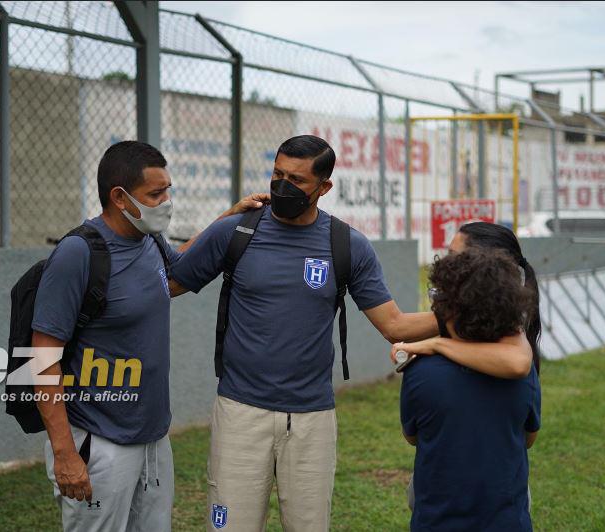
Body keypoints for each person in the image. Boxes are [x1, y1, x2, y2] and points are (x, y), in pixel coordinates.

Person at [167, 135, 533, 532]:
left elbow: (394, 326)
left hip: (312, 417)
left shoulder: (347, 245)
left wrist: (479, 313)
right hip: (240, 410)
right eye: (277, 174)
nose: (282, 186)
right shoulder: (235, 232)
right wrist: (225, 216)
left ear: (324, 187)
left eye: (297, 179)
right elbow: (170, 280)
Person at [31, 140, 267, 532]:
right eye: (155, 194)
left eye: (167, 190)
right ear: (120, 197)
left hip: (153, 438)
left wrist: (228, 220)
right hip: (100, 439)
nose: (166, 201)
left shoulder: (148, 239)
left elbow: (174, 275)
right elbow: (42, 360)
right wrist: (65, 454)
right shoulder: (78, 254)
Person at [398, 248, 541, 531]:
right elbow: (529, 438)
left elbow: (412, 437)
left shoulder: (421, 373)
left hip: (437, 521)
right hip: (507, 521)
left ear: (451, 309)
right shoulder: (523, 371)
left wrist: (437, 345)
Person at [393, 221, 542, 374]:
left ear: (483, 267)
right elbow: (395, 327)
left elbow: (517, 363)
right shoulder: (481, 319)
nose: (445, 264)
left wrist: (437, 345)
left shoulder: (427, 375)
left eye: (453, 256)